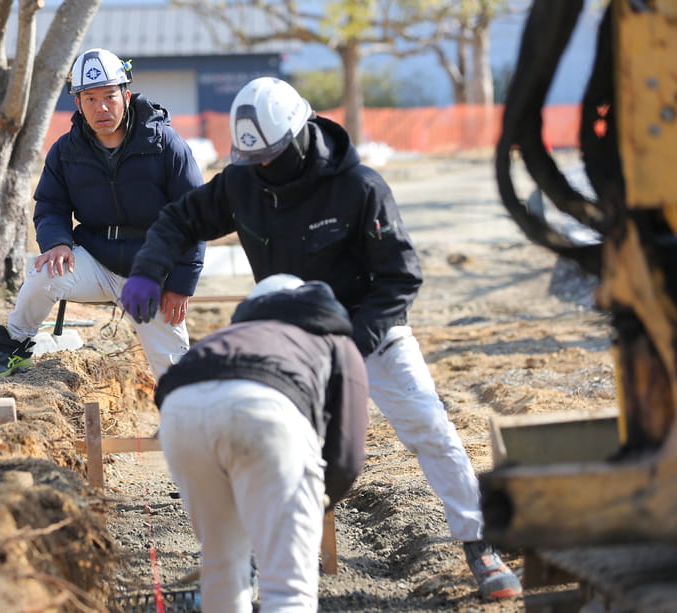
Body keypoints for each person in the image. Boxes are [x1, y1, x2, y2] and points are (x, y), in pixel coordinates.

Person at [120, 77, 523, 600]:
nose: (263, 166)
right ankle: (253, 560)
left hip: (366, 332)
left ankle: (479, 543)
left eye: (271, 155)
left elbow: (400, 279)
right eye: (253, 158)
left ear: (300, 133)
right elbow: (181, 219)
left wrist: (353, 343)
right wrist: (151, 268)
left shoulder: (359, 187)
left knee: (429, 426)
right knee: (270, 442)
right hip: (287, 341)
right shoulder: (243, 181)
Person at [0, 48, 206, 380]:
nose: (102, 107)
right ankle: (14, 348)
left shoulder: (166, 144)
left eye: (109, 96)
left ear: (125, 95)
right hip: (95, 260)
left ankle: (184, 423)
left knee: (175, 375)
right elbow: (50, 206)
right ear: (78, 104)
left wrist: (182, 284)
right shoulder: (65, 151)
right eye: (90, 99)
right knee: (43, 275)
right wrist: (56, 243)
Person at [155, 274, 369, 612]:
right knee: (288, 586)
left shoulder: (229, 333)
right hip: (266, 411)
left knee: (222, 565)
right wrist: (315, 502)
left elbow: (168, 384)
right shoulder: (334, 339)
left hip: (180, 413)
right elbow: (347, 452)